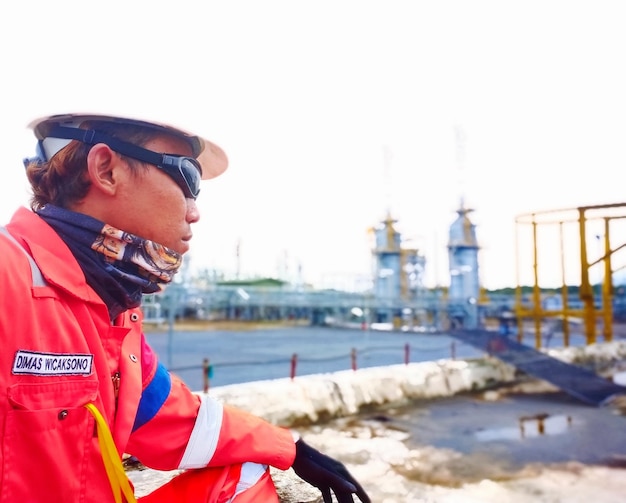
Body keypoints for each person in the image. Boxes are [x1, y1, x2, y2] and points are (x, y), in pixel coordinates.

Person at [0, 113, 370, 503]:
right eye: (188, 179)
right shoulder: (9, 276)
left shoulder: (111, 307)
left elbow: (169, 415)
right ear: (106, 169)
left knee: (244, 475)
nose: (194, 212)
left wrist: (290, 446)